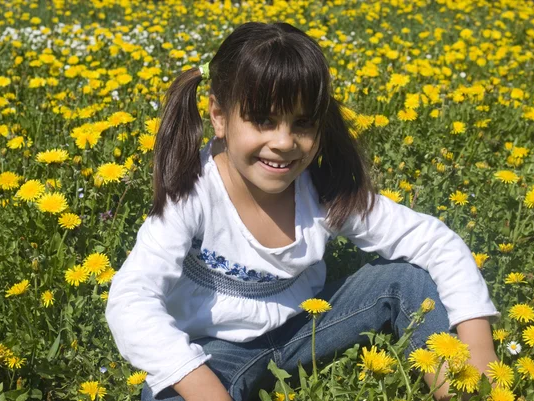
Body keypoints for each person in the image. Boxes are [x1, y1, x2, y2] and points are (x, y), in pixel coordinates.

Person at [105, 22, 500, 401]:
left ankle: (462, 390)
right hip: (212, 351)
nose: (284, 142)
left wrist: (479, 351)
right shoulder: (191, 193)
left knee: (407, 279)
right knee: (168, 389)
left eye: (303, 123)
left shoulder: (323, 189)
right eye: (263, 120)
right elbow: (131, 300)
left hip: (309, 328)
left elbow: (434, 241)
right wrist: (204, 388)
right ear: (219, 116)